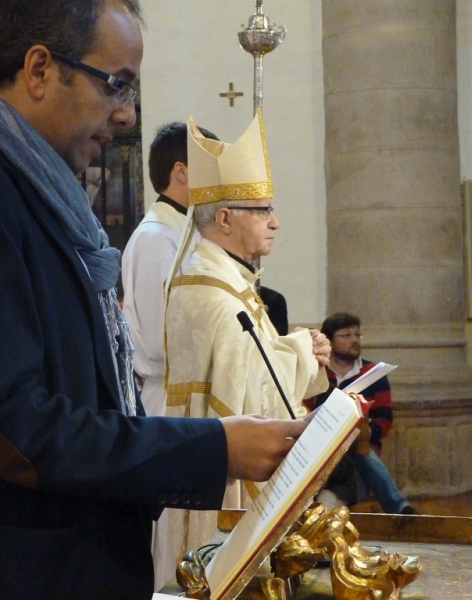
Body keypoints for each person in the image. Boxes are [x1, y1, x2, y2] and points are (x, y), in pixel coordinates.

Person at [0, 2, 313, 598]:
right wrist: (211, 447)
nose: (125, 114)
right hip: (11, 572)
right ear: (39, 70)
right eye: (116, 85)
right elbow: (12, 429)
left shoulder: (20, 186)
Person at [161, 110, 331, 576]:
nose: (276, 223)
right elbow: (243, 398)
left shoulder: (225, 277)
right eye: (264, 210)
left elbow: (254, 362)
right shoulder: (211, 292)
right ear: (225, 217)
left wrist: (298, 347)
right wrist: (301, 350)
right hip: (219, 479)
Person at [122, 121, 218, 418]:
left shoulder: (183, 231)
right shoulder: (157, 237)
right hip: (168, 401)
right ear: (181, 172)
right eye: (212, 166)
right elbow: (161, 338)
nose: (220, 178)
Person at [308, 312, 418, 515]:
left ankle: (328, 505)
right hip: (322, 441)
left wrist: (365, 433)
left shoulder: (372, 373)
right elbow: (304, 410)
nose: (354, 340)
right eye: (346, 335)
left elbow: (384, 418)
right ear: (330, 340)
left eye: (357, 335)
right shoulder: (318, 372)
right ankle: (399, 507)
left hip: (361, 442)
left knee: (356, 446)